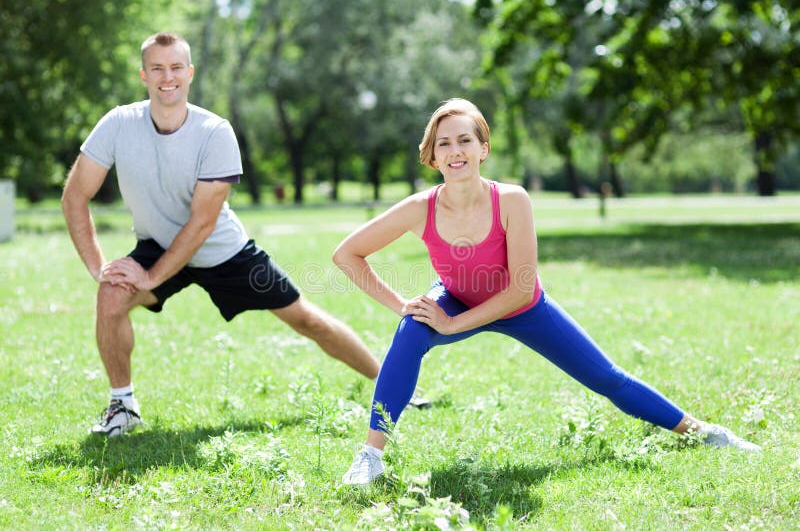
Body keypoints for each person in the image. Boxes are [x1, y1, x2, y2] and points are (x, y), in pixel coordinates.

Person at [334, 98, 761, 486]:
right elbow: (347, 254)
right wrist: (403, 306)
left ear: (483, 149)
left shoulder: (512, 200)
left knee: (606, 378)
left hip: (522, 307)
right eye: (444, 143)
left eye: (465, 140)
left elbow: (520, 288)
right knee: (410, 332)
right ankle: (371, 456)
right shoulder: (419, 207)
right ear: (432, 156)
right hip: (457, 297)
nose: (455, 151)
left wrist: (452, 324)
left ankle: (703, 432)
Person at [61, 32, 386, 437]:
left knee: (306, 319)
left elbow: (201, 223)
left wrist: (150, 277)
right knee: (110, 296)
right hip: (158, 245)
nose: (168, 77)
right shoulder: (118, 124)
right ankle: (122, 406)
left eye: (176, 67)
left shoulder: (214, 131)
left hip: (224, 251)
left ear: (190, 73)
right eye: (158, 68)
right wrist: (98, 268)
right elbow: (76, 195)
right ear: (143, 74)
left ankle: (391, 387)